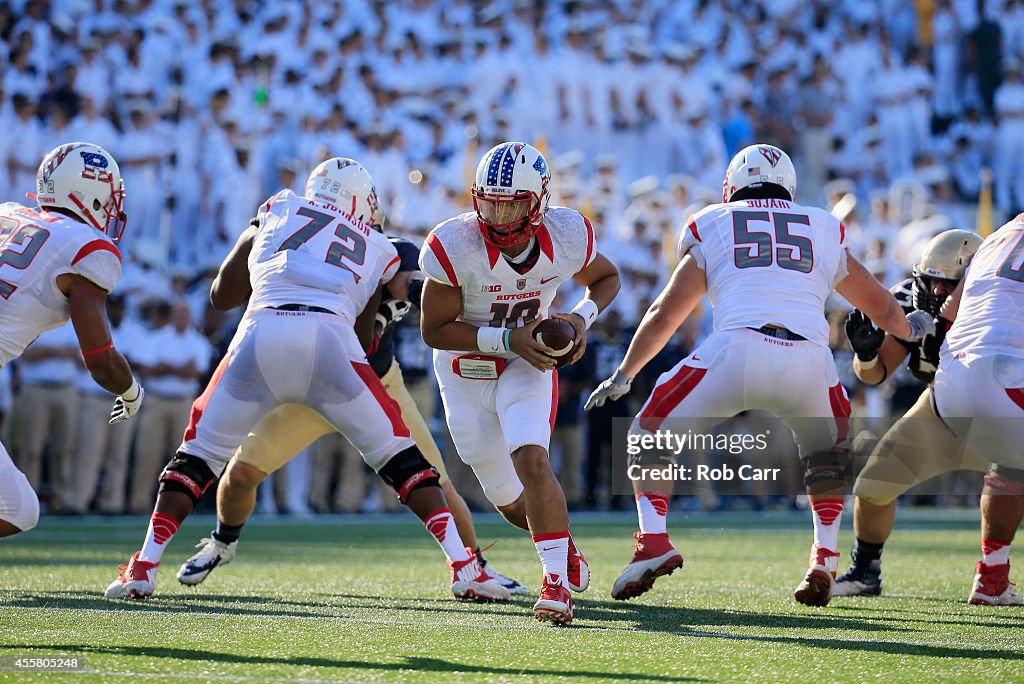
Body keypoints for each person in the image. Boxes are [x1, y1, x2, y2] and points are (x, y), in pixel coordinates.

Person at [104, 158, 507, 603]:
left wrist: (262, 240)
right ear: (363, 205)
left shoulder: (280, 207)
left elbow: (222, 296)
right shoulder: (378, 244)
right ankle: (464, 568)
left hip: (264, 335)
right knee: (403, 462)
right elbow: (403, 294)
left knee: (197, 456)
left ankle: (142, 566)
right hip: (335, 353)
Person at [585, 144, 933, 607]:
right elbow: (883, 306)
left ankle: (653, 541)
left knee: (649, 433)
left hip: (738, 350)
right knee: (827, 451)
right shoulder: (822, 226)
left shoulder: (713, 220)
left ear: (732, 187)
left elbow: (666, 312)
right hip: (810, 359)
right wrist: (911, 329)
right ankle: (824, 556)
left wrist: (625, 372)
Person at [174, 234, 526, 596]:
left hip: (375, 382)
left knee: (435, 480)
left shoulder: (389, 250)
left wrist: (454, 299)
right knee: (241, 474)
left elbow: (410, 287)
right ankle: (222, 542)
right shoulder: (302, 247)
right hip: (312, 385)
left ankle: (474, 567)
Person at [418, 142, 621, 624]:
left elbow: (607, 278)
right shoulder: (455, 243)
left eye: (511, 203)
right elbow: (434, 329)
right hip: (464, 373)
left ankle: (555, 585)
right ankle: (561, 541)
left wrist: (579, 318)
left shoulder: (567, 232)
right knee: (512, 504)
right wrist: (508, 337)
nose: (498, 215)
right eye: (489, 202)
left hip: (526, 366)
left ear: (540, 200)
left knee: (532, 458)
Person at [834, 229, 1023, 604]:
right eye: (931, 280)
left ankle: (992, 573)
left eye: (946, 283)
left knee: (1011, 469)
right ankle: (865, 571)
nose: (937, 292)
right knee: (873, 485)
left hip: (993, 394)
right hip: (944, 405)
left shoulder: (994, 299)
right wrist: (868, 355)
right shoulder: (909, 299)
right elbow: (876, 374)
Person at [0, 142, 143, 537]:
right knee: (17, 510)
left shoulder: (7, 214)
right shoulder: (86, 248)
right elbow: (101, 361)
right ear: (89, 193)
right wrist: (131, 392)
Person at [932, 214, 1024, 606]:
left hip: (950, 381)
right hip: (1004, 373)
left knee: (1012, 461)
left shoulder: (1000, 234)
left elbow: (951, 311)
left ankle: (991, 578)